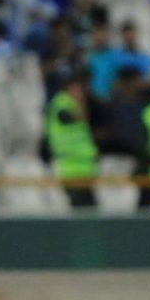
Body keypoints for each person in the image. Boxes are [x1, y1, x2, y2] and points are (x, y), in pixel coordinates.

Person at [46, 73, 98, 207]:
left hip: (83, 168)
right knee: (80, 207)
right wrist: (81, 103)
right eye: (77, 88)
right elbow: (75, 118)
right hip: (69, 168)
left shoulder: (71, 104)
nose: (81, 92)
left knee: (90, 207)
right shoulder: (61, 103)